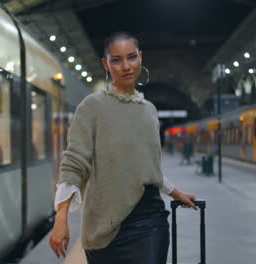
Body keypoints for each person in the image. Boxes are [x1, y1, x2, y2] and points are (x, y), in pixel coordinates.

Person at [49, 31, 198, 264]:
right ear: (105, 64)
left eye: (131, 57)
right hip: (103, 225)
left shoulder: (149, 110)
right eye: (116, 60)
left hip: (149, 219)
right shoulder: (92, 107)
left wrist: (175, 193)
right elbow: (75, 161)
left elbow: (148, 166)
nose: (126, 66)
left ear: (140, 57)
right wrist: (61, 217)